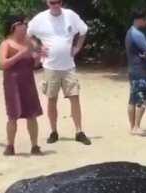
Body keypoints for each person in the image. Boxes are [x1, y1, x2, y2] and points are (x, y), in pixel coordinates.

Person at [27, 0, 91, 145]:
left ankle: (79, 131)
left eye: (58, 2)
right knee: (51, 99)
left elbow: (83, 31)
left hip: (69, 66)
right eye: (52, 2)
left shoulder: (70, 15)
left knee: (75, 97)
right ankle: (53, 131)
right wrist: (37, 47)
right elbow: (28, 34)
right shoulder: (40, 18)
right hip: (50, 67)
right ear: (47, 3)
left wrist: (78, 47)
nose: (55, 5)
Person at [0, 15, 43, 156]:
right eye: (21, 23)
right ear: (13, 27)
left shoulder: (30, 42)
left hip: (28, 82)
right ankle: (10, 146)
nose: (24, 26)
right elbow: (3, 64)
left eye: (25, 23)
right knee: (12, 115)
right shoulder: (6, 44)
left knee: (32, 114)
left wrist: (37, 58)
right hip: (12, 84)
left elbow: (36, 64)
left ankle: (35, 146)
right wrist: (20, 54)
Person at [125, 9, 146, 136]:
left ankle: (132, 127)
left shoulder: (129, 32)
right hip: (141, 70)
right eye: (145, 19)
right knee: (143, 98)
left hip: (132, 69)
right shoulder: (138, 34)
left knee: (132, 99)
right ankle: (137, 126)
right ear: (139, 20)